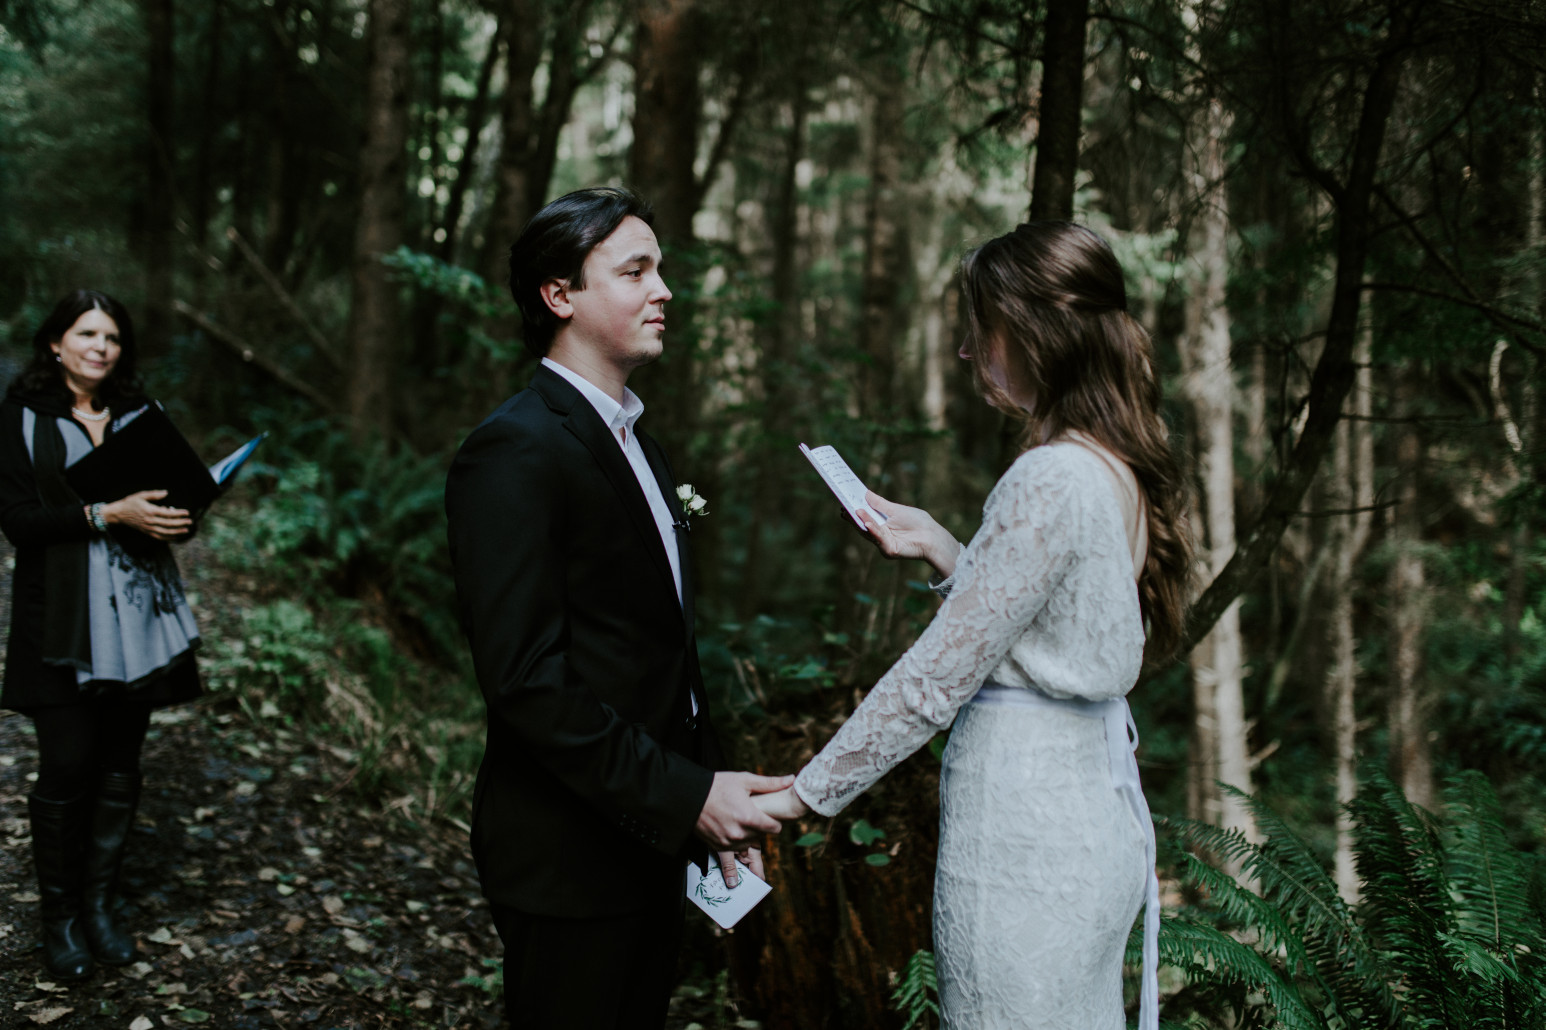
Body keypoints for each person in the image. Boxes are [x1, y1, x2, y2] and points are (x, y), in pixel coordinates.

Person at [755, 222, 1194, 1030]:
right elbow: (1058, 634)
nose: (966, 350)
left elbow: (935, 679)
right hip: (1087, 819)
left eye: (979, 325)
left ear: (1035, 331)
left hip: (1025, 837)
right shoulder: (1109, 463)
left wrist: (807, 794)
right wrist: (949, 551)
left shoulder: (1050, 474)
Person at [445, 186, 792, 1030]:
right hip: (567, 854)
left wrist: (705, 797)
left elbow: (659, 650)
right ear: (560, 296)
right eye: (635, 269)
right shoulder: (514, 450)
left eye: (660, 267)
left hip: (647, 835)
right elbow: (527, 681)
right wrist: (685, 794)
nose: (663, 288)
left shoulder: (638, 440)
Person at [0, 289, 202, 981]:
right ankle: (58, 921)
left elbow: (177, 505)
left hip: (138, 615)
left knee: (120, 760)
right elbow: (19, 522)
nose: (100, 346)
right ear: (55, 343)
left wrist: (177, 517)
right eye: (86, 333)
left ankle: (100, 907)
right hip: (58, 616)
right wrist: (104, 513)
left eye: (112, 336)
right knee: (67, 763)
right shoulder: (23, 417)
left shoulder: (142, 415)